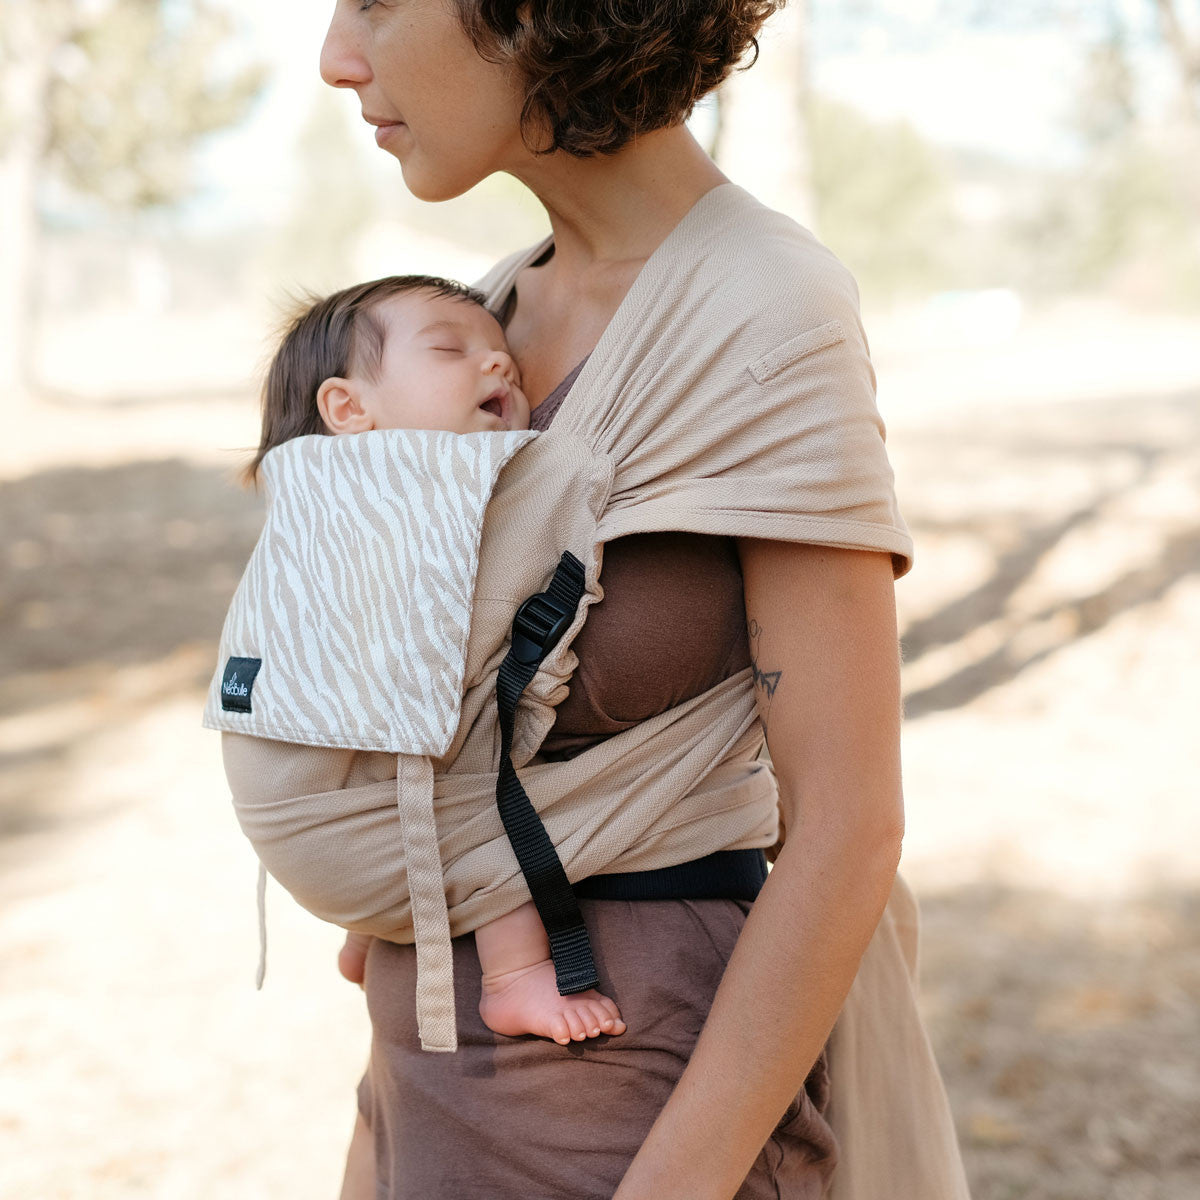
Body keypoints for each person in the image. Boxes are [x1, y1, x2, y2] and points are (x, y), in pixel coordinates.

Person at [315, 3, 946, 1198]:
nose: (339, 58)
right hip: (437, 1096)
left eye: (377, 2)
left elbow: (849, 827)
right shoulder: (482, 320)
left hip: (644, 1102)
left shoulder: (759, 312)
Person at [241, 272, 628, 1048]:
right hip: (331, 821)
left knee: (407, 751)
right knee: (483, 803)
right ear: (349, 409)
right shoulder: (420, 494)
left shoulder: (318, 492)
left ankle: (375, 918)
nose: (499, 366)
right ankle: (513, 979)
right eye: (452, 351)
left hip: (280, 802)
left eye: (503, 357)